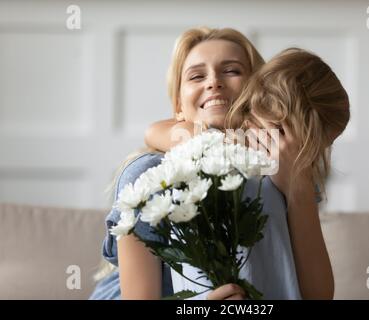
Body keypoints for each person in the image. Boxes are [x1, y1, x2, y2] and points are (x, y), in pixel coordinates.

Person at [143, 47, 349, 299]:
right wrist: (227, 144)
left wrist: (299, 189)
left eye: (231, 71)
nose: (214, 84)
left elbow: (319, 294)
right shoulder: (171, 167)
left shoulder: (294, 178)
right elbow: (155, 131)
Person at [89, 26, 265, 300]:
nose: (213, 82)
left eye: (232, 70)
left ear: (259, 89)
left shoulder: (278, 167)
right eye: (196, 76)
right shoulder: (149, 173)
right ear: (179, 106)